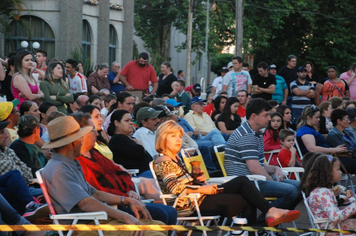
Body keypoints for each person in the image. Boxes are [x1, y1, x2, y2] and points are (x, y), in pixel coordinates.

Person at [153, 120, 300, 226]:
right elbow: (175, 189)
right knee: (245, 198)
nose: (179, 140)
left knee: (242, 181)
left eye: (180, 136)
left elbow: (186, 184)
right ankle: (263, 219)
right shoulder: (163, 161)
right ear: (163, 138)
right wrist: (201, 188)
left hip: (199, 197)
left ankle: (269, 213)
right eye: (173, 136)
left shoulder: (176, 158)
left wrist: (198, 180)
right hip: (189, 205)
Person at [41, 116, 166, 236]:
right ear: (72, 143)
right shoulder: (59, 169)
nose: (82, 141)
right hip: (84, 227)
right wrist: (125, 216)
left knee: (160, 227)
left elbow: (94, 193)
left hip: (96, 221)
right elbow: (87, 203)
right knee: (155, 233)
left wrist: (127, 200)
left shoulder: (69, 163)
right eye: (80, 138)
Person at [72, 112, 177, 225]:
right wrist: (124, 198)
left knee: (170, 211)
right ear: (82, 134)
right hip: (112, 206)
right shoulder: (78, 161)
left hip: (124, 198)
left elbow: (120, 171)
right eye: (93, 130)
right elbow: (97, 191)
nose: (97, 134)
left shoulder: (95, 153)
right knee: (162, 213)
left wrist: (129, 189)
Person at [224, 98, 300, 210]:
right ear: (254, 116)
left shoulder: (255, 133)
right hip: (249, 182)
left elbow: (258, 164)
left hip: (254, 178)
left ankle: (271, 218)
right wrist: (272, 181)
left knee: (301, 187)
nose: (269, 118)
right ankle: (267, 219)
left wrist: (275, 169)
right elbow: (254, 168)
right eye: (266, 115)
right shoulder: (246, 135)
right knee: (292, 191)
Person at [302, 155, 356, 232]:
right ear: (328, 173)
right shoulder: (323, 192)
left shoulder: (321, 190)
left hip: (331, 226)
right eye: (338, 170)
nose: (341, 172)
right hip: (332, 229)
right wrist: (353, 207)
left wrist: (342, 198)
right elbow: (335, 217)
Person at [108, 110, 153, 176]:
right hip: (136, 176)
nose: (131, 123)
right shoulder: (117, 140)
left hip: (146, 172)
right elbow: (139, 152)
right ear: (116, 123)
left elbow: (148, 158)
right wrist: (141, 145)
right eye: (127, 121)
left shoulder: (131, 139)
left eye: (131, 120)